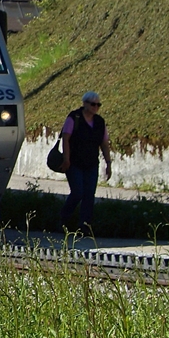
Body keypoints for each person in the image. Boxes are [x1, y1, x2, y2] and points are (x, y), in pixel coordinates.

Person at [58, 91, 112, 234]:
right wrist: (66, 159)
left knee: (89, 195)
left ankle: (84, 226)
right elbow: (66, 139)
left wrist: (108, 163)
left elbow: (104, 144)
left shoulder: (100, 122)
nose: (95, 107)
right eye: (93, 104)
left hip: (91, 164)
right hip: (74, 162)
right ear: (85, 103)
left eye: (98, 105)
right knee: (77, 192)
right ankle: (63, 220)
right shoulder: (74, 117)